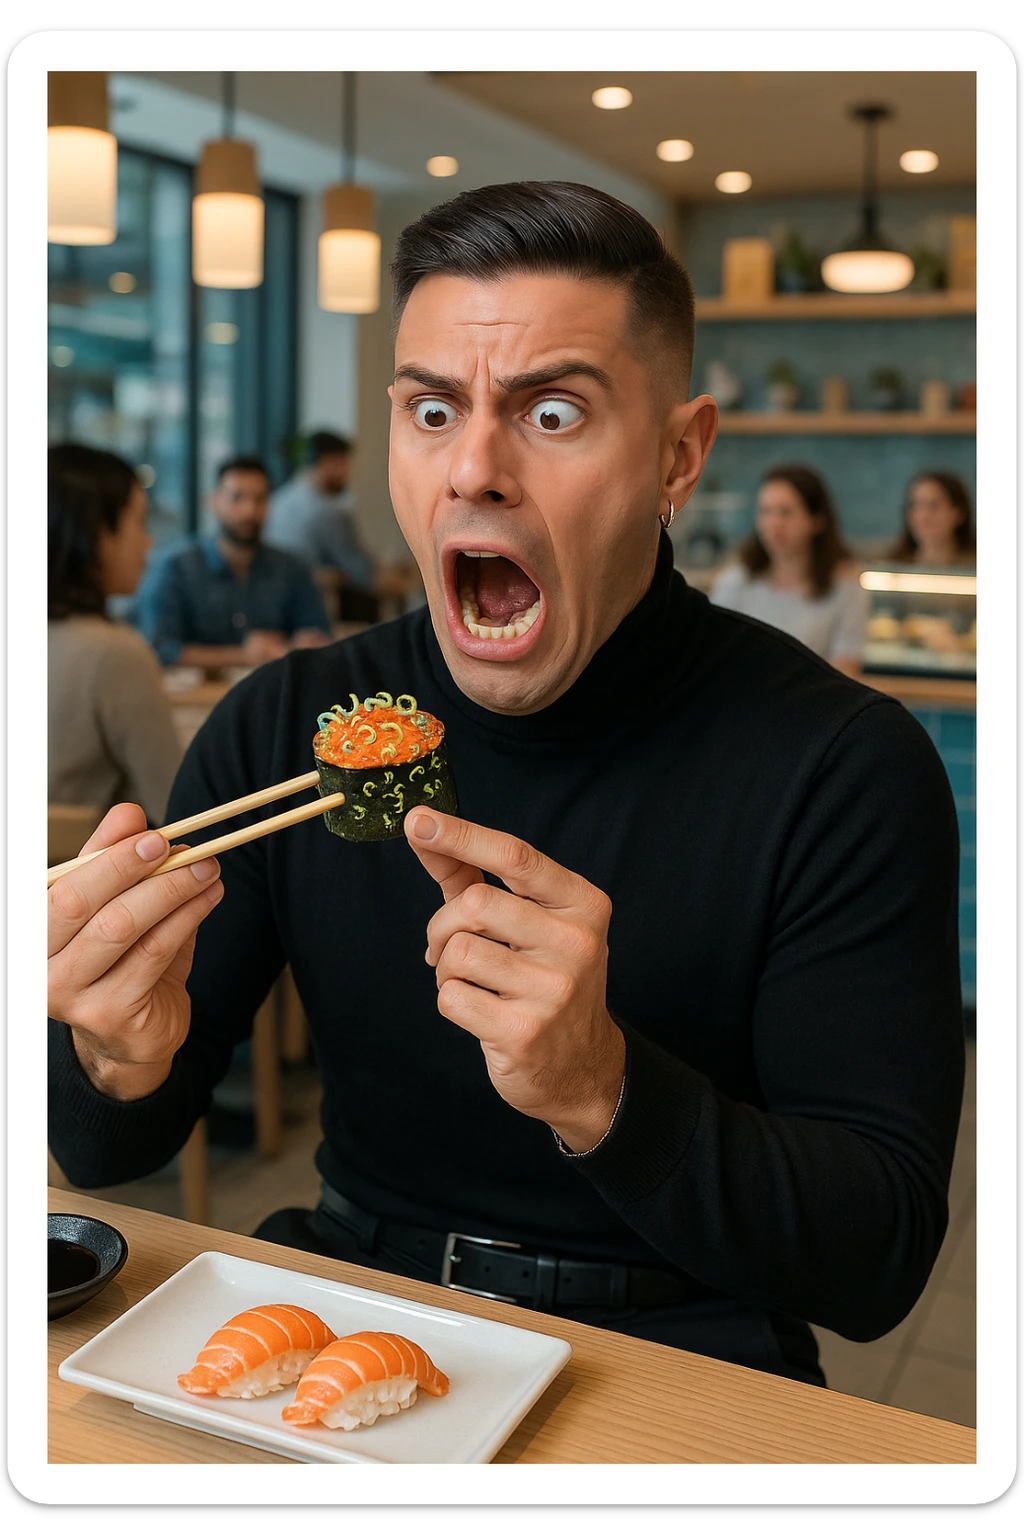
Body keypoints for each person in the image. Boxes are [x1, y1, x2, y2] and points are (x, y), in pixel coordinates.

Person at [48, 181, 965, 1390]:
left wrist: (601, 1086)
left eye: (552, 413)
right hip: (342, 1306)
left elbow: (876, 1260)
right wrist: (113, 1052)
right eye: (430, 409)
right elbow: (105, 1151)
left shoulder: (840, 763)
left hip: (679, 1348)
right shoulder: (294, 724)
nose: (471, 468)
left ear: (677, 456)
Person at [47, 443, 183, 827]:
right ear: (95, 532)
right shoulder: (114, 654)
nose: (148, 542)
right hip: (83, 877)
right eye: (139, 522)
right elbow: (179, 807)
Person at [133, 454, 333, 673]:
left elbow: (319, 636)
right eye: (237, 498)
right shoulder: (175, 567)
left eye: (260, 499)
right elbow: (161, 648)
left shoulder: (293, 567)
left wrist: (304, 643)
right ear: (214, 501)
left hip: (273, 697)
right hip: (196, 701)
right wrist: (246, 655)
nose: (249, 510)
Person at [709, 464, 870, 679]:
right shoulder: (735, 583)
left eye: (786, 512)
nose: (773, 523)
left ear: (817, 520)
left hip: (817, 709)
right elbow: (714, 659)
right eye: (765, 511)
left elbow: (846, 671)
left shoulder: (847, 588)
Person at [888, 470, 977, 567]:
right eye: (914, 505)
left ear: (958, 513)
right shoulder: (888, 566)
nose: (922, 515)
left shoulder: (973, 567)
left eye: (933, 506)